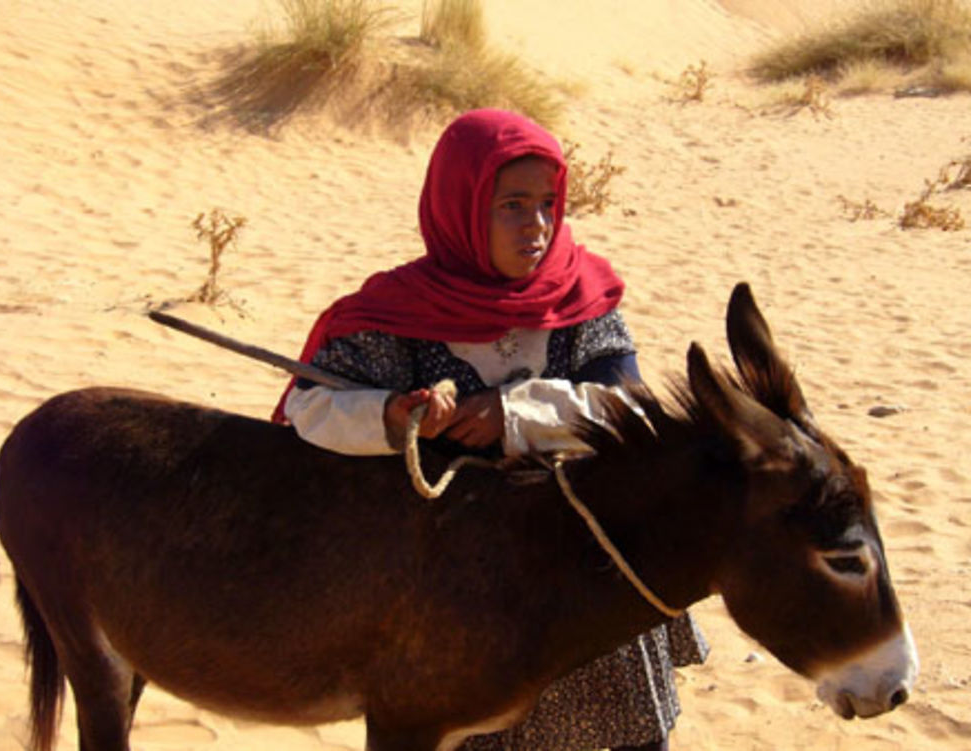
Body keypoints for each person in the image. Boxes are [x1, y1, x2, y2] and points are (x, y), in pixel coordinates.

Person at [272, 108, 707, 751]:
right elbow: (310, 411)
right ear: (461, 206)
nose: (536, 226)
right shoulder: (399, 312)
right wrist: (392, 417)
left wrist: (517, 414)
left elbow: (630, 411)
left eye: (546, 204)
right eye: (511, 205)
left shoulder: (579, 295)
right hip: (457, 595)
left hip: (581, 575)